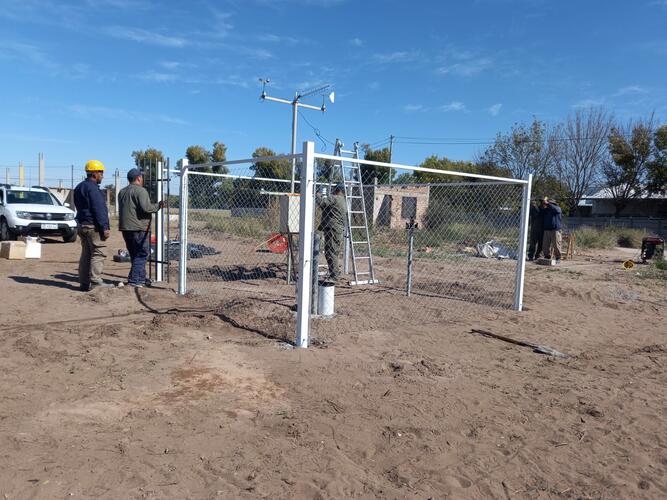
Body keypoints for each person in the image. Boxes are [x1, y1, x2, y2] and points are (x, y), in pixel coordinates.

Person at [118, 168, 163, 287]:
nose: (142, 179)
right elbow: (147, 208)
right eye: (141, 177)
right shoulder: (141, 191)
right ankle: (134, 281)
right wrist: (159, 205)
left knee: (134, 254)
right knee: (142, 254)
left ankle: (141, 279)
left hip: (125, 228)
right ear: (138, 178)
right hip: (139, 228)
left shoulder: (122, 192)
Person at [73, 159, 111, 291]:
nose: (102, 176)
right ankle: (96, 281)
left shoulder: (79, 187)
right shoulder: (93, 189)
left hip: (81, 224)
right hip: (92, 226)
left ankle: (84, 283)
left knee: (86, 254)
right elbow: (99, 209)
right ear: (95, 173)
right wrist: (105, 227)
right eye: (101, 173)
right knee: (98, 253)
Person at [316, 184, 347, 282]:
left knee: (331, 252)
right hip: (337, 229)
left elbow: (322, 203)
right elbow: (326, 208)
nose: (332, 191)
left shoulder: (335, 198)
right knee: (333, 252)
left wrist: (317, 194)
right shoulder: (342, 200)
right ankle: (335, 273)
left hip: (333, 229)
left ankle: (335, 276)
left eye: (334, 189)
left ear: (337, 190)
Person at [541, 196, 563, 262]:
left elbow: (555, 209)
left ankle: (558, 257)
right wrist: (542, 203)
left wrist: (547, 203)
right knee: (545, 245)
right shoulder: (547, 210)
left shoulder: (557, 208)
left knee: (556, 245)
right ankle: (547, 256)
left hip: (555, 230)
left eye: (550, 203)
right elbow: (541, 211)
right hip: (547, 229)